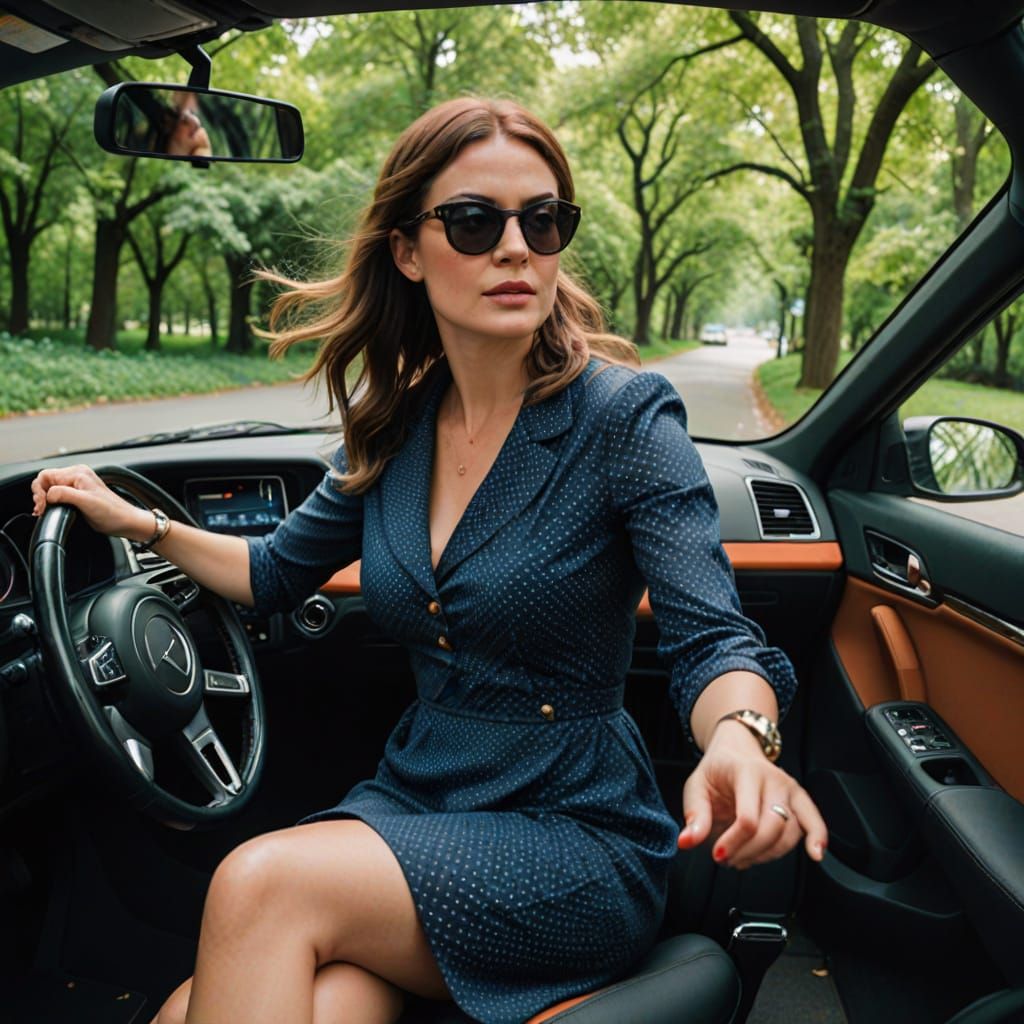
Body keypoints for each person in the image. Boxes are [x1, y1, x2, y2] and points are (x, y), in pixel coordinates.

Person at [30, 96, 827, 1024]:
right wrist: (142, 526)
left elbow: (713, 637)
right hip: (413, 800)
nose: (516, 247)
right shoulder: (398, 422)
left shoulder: (624, 419)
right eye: (475, 221)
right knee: (215, 1008)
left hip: (572, 831)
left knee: (259, 884)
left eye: (544, 219)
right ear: (409, 249)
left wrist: (740, 738)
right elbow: (275, 572)